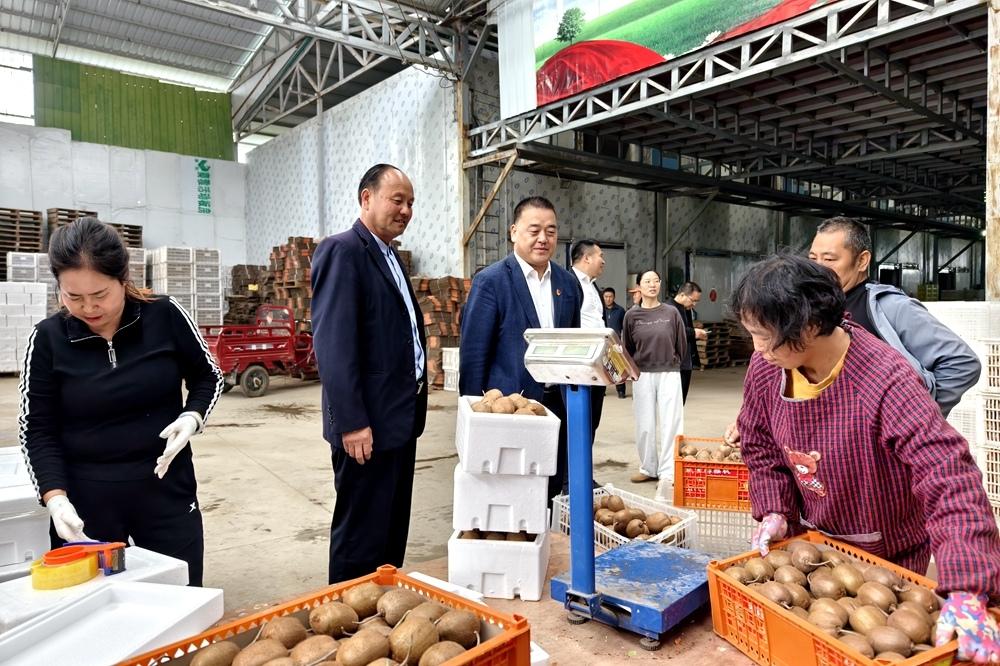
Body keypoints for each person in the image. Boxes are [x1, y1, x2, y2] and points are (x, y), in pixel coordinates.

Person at [733, 254, 1000, 664]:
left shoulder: (885, 377)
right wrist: (775, 508)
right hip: (813, 545)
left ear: (809, 325)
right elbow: (759, 442)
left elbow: (947, 474)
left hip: (887, 546)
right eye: (752, 333)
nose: (757, 348)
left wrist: (968, 585)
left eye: (765, 335)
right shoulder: (766, 368)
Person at [19, 217, 222, 586]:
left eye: (100, 295)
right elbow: (37, 429)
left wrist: (192, 416)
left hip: (165, 489)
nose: (89, 308)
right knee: (93, 604)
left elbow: (208, 375)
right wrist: (55, 499)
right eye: (73, 296)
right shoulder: (47, 340)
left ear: (123, 278)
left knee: (180, 594)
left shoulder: (165, 315)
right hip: (86, 501)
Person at [724, 215, 980, 443]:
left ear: (862, 261)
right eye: (813, 259)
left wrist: (915, 416)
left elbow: (961, 363)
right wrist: (755, 418)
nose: (819, 267)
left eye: (829, 259)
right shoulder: (801, 308)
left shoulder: (890, 307)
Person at [311, 164, 428, 584]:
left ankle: (382, 606)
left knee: (390, 532)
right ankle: (344, 612)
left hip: (398, 420)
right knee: (360, 537)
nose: (405, 210)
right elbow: (334, 345)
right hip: (366, 428)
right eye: (397, 200)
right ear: (367, 198)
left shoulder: (389, 255)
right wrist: (352, 421)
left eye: (410, 203)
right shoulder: (343, 251)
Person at [460, 196, 583, 502]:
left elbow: (574, 345)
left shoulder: (568, 284)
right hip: (509, 408)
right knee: (510, 491)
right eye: (534, 230)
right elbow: (474, 355)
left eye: (551, 231)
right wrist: (474, 416)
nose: (543, 238)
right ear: (514, 232)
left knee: (550, 487)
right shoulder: (491, 281)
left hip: (556, 407)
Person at [621, 269, 686, 501]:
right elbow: (627, 346)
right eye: (647, 281)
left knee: (672, 422)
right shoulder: (631, 315)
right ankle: (648, 468)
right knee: (645, 423)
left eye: (656, 281)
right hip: (642, 374)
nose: (652, 284)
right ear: (638, 286)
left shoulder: (671, 312)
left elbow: (681, 343)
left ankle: (668, 471)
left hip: (669, 372)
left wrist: (673, 362)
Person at [571, 239, 608, 438]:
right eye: (600, 256)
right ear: (587, 258)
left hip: (597, 365)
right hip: (579, 365)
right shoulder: (568, 283)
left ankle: (586, 458)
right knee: (577, 424)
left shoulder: (594, 287)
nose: (603, 261)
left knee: (592, 421)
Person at [667, 282, 707, 404]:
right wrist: (692, 333)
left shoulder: (686, 309)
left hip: (686, 362)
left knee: (680, 402)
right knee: (672, 403)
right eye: (693, 300)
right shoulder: (668, 309)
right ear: (682, 295)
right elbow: (670, 332)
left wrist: (696, 335)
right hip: (674, 363)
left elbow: (685, 331)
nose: (694, 304)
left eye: (697, 302)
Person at [603, 288, 627, 398]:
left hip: (616, 343)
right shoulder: (600, 309)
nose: (608, 299)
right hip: (602, 343)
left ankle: (621, 391)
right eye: (606, 297)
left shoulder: (620, 310)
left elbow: (625, 326)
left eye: (610, 297)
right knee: (602, 367)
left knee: (618, 367)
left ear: (614, 297)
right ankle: (601, 390)